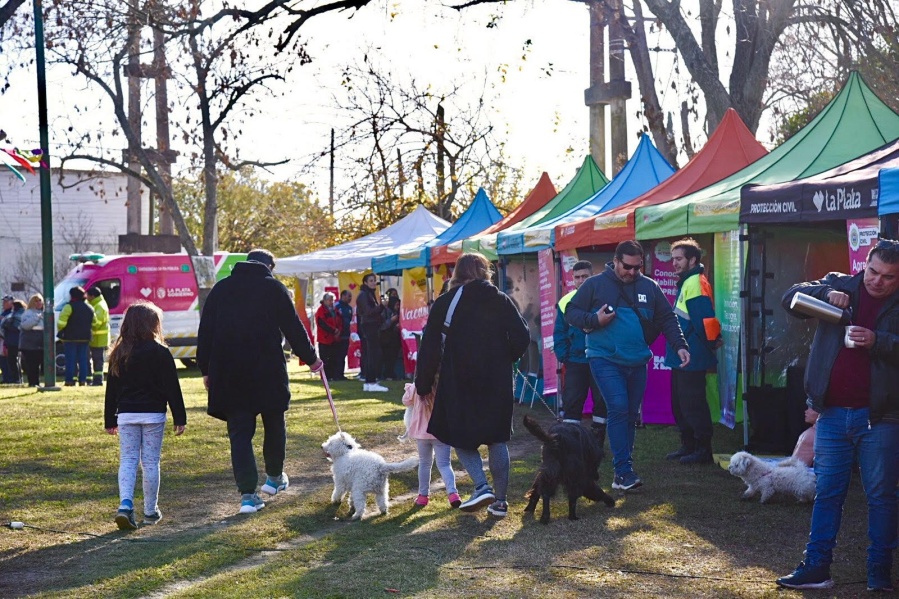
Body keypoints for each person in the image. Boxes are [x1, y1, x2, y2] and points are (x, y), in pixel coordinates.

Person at [776, 239, 899, 592]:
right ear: (866, 264)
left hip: (883, 417)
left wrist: (878, 340)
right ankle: (816, 567)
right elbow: (790, 298)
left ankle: (879, 573)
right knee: (827, 493)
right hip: (831, 413)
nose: (877, 281)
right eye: (873, 271)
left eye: (888, 277)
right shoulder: (841, 283)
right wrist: (828, 292)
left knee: (881, 497)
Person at [197, 249, 323, 515]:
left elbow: (205, 331)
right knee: (274, 421)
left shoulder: (221, 289)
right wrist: (311, 359)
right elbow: (293, 327)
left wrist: (205, 369)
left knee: (240, 434)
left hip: (230, 373)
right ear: (269, 266)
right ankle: (275, 478)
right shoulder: (274, 289)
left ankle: (248, 495)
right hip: (266, 371)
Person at [565, 240, 689, 492]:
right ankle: (623, 471)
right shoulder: (595, 284)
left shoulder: (649, 287)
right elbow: (571, 312)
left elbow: (667, 317)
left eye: (637, 267)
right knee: (619, 408)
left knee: (631, 415)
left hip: (636, 361)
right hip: (604, 358)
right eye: (627, 267)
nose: (632, 272)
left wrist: (680, 344)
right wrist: (594, 320)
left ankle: (623, 471)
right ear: (616, 260)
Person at [415, 252, 530, 518]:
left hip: (458, 379)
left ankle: (481, 485)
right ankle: (499, 502)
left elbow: (430, 347)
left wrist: (423, 385)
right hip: (497, 381)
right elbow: (522, 336)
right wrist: (506, 357)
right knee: (497, 439)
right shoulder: (501, 299)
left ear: (457, 274)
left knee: (458, 434)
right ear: (485, 271)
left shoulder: (446, 303)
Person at [104, 302, 186, 530]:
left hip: (127, 414)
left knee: (128, 460)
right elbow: (172, 388)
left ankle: (125, 504)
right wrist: (180, 417)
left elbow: (112, 389)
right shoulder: (161, 353)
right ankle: (150, 509)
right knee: (150, 461)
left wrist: (109, 418)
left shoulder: (119, 353)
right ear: (153, 325)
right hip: (153, 414)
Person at [665, 238, 722, 465]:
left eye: (679, 259)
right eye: (673, 259)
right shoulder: (688, 281)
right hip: (682, 355)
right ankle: (688, 446)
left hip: (693, 356)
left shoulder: (696, 282)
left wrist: (711, 343)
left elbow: (704, 320)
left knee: (693, 404)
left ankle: (702, 450)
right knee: (680, 404)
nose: (674, 263)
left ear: (692, 260)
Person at [554, 259, 608, 444]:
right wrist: (564, 356)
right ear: (573, 279)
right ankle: (571, 444)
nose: (581, 280)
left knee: (602, 402)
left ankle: (597, 443)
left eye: (585, 276)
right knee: (572, 402)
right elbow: (559, 333)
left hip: (600, 359)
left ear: (592, 276)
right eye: (577, 277)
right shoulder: (566, 301)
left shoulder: (603, 299)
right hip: (576, 361)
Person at [401, 383, 461, 508]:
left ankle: (422, 496)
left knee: (424, 464)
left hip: (421, 434)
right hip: (441, 432)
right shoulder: (444, 385)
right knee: (444, 464)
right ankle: (453, 494)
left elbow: (405, 401)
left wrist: (412, 388)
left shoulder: (416, 387)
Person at [356, 273, 388, 392]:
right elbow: (368, 312)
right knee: (372, 354)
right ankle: (371, 381)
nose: (374, 282)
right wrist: (381, 306)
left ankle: (370, 381)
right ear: (365, 283)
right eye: (371, 281)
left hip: (372, 325)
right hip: (369, 326)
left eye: (374, 280)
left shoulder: (369, 294)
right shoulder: (364, 295)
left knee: (372, 354)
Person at [58, 286, 95, 386]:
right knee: (83, 359)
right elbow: (94, 322)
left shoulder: (69, 307)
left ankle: (69, 380)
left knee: (70, 360)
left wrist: (61, 329)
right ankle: (82, 380)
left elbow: (61, 323)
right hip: (85, 337)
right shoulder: (89, 307)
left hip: (70, 337)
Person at [315, 292, 343, 380]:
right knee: (325, 359)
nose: (332, 302)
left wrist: (339, 330)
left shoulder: (335, 310)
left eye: (333, 300)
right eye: (330, 300)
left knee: (333, 358)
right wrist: (334, 330)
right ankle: (326, 376)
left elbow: (340, 321)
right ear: (325, 301)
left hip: (334, 338)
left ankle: (333, 375)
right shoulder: (321, 311)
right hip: (325, 339)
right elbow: (322, 324)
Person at [19, 294, 45, 387]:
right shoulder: (27, 313)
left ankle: (37, 382)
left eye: (40, 301)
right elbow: (26, 326)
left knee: (39, 363)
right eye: (36, 301)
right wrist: (36, 318)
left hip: (40, 343)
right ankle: (32, 383)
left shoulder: (44, 313)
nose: (39, 303)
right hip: (29, 344)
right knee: (31, 364)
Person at [88, 286, 110, 386]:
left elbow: (97, 323)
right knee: (97, 360)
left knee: (98, 360)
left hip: (99, 339)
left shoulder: (99, 306)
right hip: (98, 338)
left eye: (88, 295)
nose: (86, 297)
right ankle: (96, 380)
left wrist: (86, 324)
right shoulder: (97, 304)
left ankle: (98, 381)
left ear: (92, 296)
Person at [0, 298, 24, 384]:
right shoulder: (23, 314)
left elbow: (4, 325)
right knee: (17, 360)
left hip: (12, 341)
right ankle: (18, 379)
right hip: (18, 340)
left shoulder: (12, 316)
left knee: (12, 360)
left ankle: (15, 379)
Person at [380, 295, 402, 380]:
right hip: (387, 339)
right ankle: (387, 374)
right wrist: (391, 320)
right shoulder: (386, 312)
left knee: (393, 357)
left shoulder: (398, 313)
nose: (398, 307)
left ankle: (392, 373)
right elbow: (382, 326)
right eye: (396, 305)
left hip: (395, 340)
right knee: (388, 358)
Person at [334, 290, 354, 381]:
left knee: (343, 355)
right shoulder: (337, 306)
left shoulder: (350, 308)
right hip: (337, 335)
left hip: (346, 335)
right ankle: (335, 374)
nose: (350, 298)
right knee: (337, 355)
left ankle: (341, 374)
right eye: (348, 296)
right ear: (343, 296)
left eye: (351, 296)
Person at [0, 294, 11, 383]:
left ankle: (9, 377)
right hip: (2, 339)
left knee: (8, 359)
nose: (4, 303)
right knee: (2, 359)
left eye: (6, 301)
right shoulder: (3, 313)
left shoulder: (12, 313)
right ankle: (5, 376)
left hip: (7, 339)